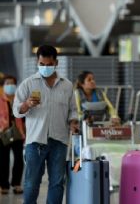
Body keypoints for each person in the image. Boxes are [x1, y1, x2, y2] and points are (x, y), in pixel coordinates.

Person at [13, 45, 79, 204]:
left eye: (49, 64)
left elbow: (73, 110)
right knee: (31, 183)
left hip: (59, 141)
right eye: (42, 64)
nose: (45, 67)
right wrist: (26, 104)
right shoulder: (28, 84)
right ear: (38, 62)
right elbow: (16, 110)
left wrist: (73, 122)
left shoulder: (67, 85)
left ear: (55, 62)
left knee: (57, 183)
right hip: (35, 141)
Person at [0, 75, 25, 195]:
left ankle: (16, 184)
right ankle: (3, 185)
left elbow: (24, 117)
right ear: (3, 86)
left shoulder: (19, 100)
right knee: (3, 160)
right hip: (2, 134)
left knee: (19, 159)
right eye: (7, 83)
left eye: (12, 83)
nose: (10, 86)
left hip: (18, 133)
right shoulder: (0, 99)